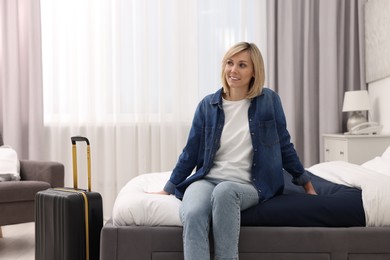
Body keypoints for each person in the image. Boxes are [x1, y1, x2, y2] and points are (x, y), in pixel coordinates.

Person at [151, 42, 317, 260]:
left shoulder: (268, 101)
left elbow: (284, 145)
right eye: (230, 63)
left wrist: (306, 183)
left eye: (242, 65)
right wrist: (169, 187)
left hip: (250, 184)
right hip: (207, 179)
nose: (233, 70)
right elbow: (190, 152)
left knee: (225, 192)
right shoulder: (207, 105)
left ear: (254, 71)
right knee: (193, 212)